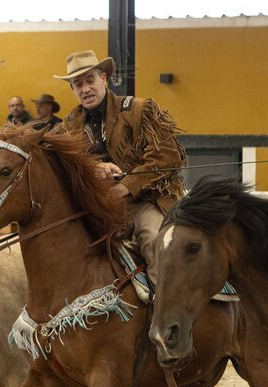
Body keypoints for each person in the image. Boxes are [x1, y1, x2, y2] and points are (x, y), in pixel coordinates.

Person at [55, 50, 186, 285]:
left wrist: (125, 187)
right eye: (78, 84)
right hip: (96, 209)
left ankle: (164, 316)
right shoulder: (69, 125)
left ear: (103, 79)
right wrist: (94, 167)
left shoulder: (137, 110)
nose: (85, 89)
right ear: (72, 90)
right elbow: (60, 165)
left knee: (154, 243)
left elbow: (167, 156)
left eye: (90, 80)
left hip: (144, 203)